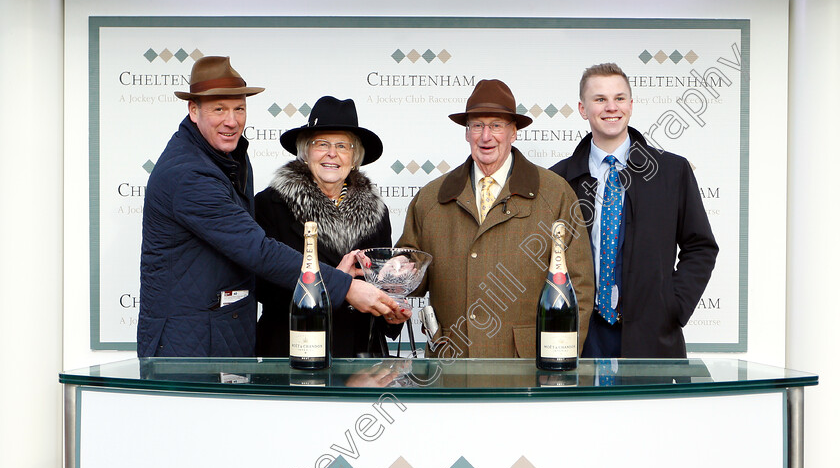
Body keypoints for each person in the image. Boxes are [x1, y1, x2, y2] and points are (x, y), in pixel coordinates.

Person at [138, 56, 398, 358]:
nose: (231, 120)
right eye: (219, 109)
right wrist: (344, 286)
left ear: (356, 156)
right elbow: (258, 253)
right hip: (196, 343)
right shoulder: (191, 174)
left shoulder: (229, 158)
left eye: (239, 108)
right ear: (193, 110)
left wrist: (389, 303)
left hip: (228, 338)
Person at [397, 79, 595, 359]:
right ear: (467, 133)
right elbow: (411, 277)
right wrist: (396, 272)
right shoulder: (430, 198)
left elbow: (580, 287)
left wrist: (560, 357)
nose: (485, 136)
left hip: (527, 370)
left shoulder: (555, 193)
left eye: (496, 125)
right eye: (477, 125)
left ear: (513, 132)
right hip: (451, 366)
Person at [550, 63, 718, 358]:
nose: (611, 107)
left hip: (652, 334)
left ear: (631, 104)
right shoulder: (558, 180)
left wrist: (673, 305)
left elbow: (700, 246)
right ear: (582, 108)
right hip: (581, 335)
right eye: (599, 99)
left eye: (619, 98)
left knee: (649, 406)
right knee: (581, 406)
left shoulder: (671, 171)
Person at [254, 96, 407, 358]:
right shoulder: (270, 204)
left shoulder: (377, 212)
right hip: (291, 349)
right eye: (321, 144)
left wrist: (391, 311)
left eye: (342, 146)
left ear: (355, 156)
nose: (332, 154)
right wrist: (332, 286)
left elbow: (379, 282)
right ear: (305, 150)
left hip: (359, 356)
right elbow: (261, 286)